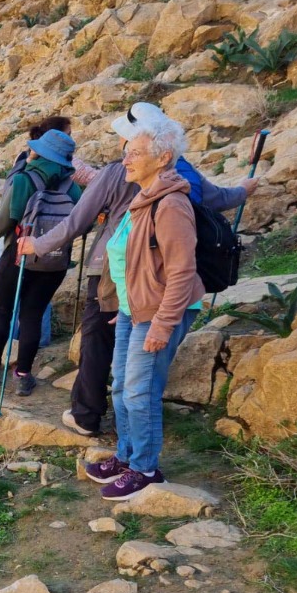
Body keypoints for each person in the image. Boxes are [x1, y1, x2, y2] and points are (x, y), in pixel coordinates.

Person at [19, 102, 256, 435]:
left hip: (111, 269)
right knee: (135, 352)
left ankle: (89, 415)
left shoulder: (117, 171)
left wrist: (38, 245)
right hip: (158, 275)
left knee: (98, 340)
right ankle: (128, 424)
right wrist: (245, 189)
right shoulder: (181, 170)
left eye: (125, 139)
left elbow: (77, 221)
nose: (124, 148)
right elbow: (217, 200)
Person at [84, 117, 203, 499]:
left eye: (134, 153)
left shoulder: (171, 205)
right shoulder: (143, 199)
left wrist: (162, 324)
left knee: (140, 391)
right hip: (135, 308)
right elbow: (135, 263)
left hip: (161, 312)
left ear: (163, 157)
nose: (126, 160)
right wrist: (128, 303)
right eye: (125, 153)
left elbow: (182, 272)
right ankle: (126, 455)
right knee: (120, 387)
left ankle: (146, 468)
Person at [0, 129, 83, 396]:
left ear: (41, 153)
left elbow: (5, 220)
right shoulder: (72, 187)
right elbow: (81, 223)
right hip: (53, 261)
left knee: (1, 312)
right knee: (32, 316)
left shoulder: (24, 179)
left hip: (17, 255)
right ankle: (23, 376)